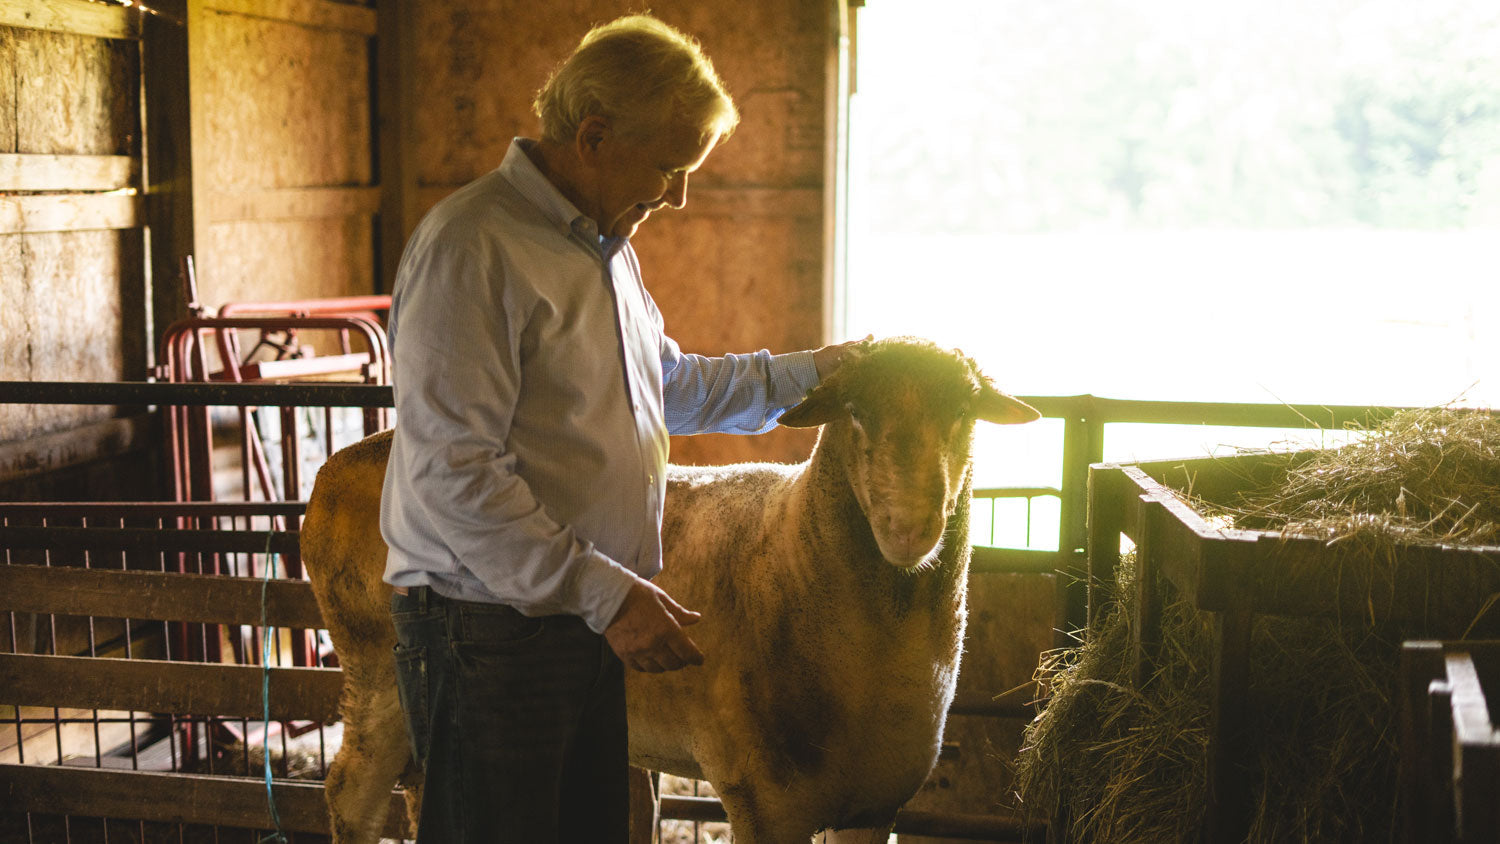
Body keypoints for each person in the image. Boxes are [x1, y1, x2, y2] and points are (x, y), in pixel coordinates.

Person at [379, 14, 858, 843]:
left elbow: (662, 385)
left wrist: (813, 375)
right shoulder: (474, 247)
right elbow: (455, 471)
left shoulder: (605, 249)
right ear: (594, 135)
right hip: (489, 630)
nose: (677, 196)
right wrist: (608, 593)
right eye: (669, 168)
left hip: (577, 617)